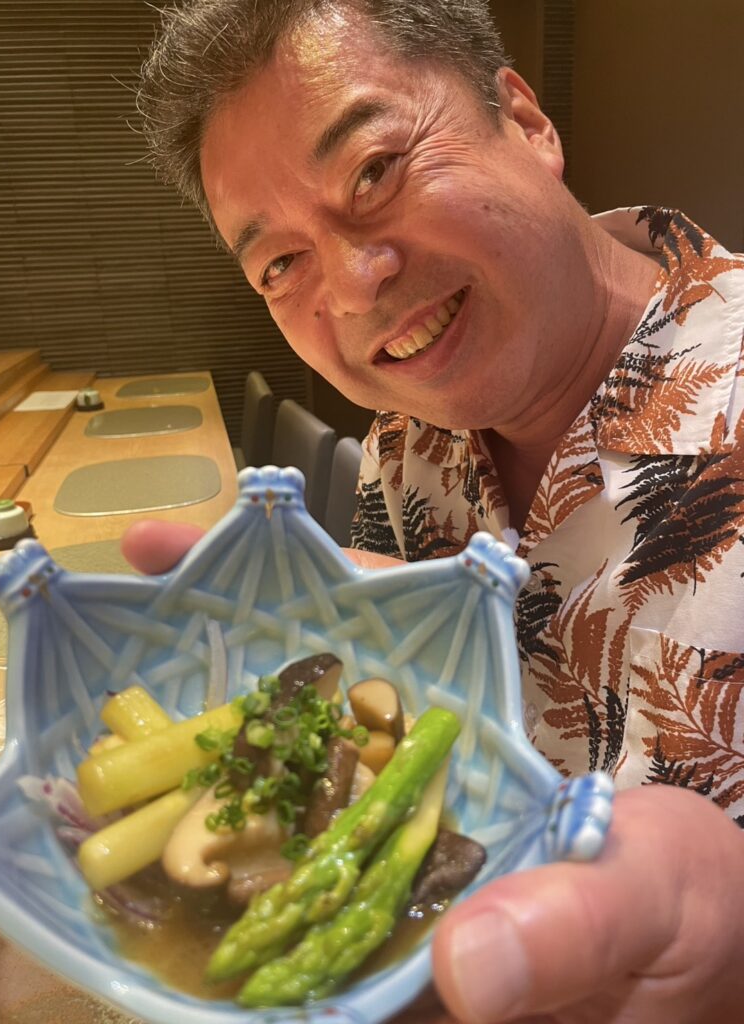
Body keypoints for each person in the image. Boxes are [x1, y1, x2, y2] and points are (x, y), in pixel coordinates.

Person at [129, 1, 744, 1020]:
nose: (354, 286)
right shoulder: (408, 446)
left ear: (526, 122)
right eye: (280, 263)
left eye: (374, 172)